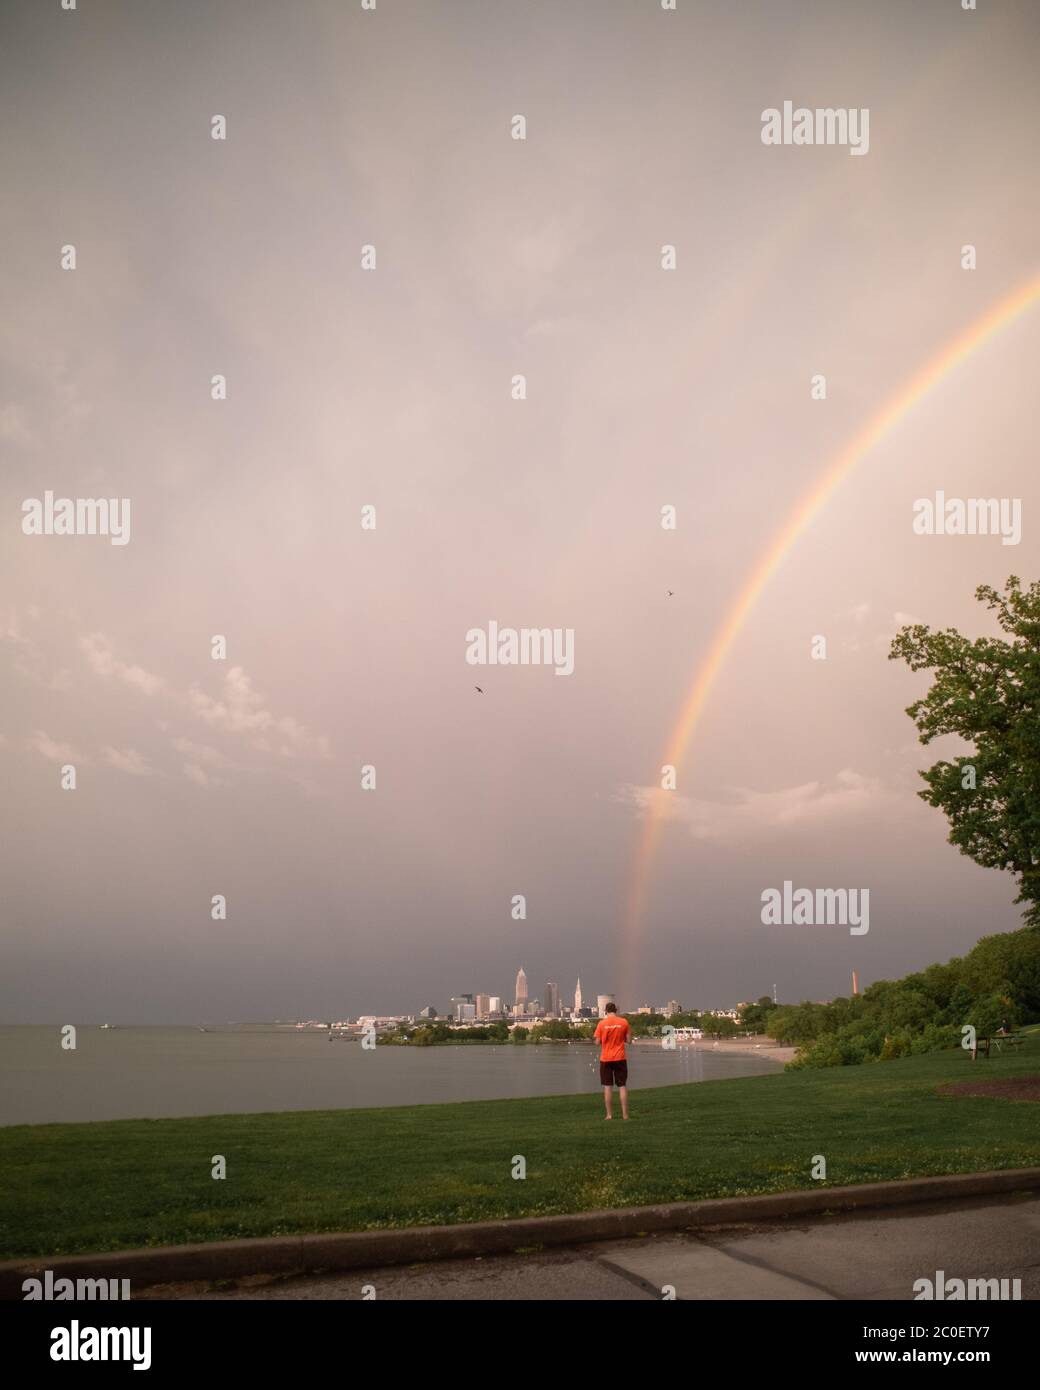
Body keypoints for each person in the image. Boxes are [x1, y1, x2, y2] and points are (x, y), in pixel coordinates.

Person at [593, 1002, 631, 1120]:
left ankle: (609, 1115)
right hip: (620, 1058)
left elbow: (597, 1042)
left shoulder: (601, 1023)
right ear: (616, 1010)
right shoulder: (624, 1022)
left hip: (606, 1059)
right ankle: (625, 1115)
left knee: (607, 1087)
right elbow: (629, 1040)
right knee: (622, 1086)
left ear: (605, 1011)